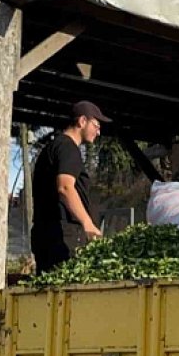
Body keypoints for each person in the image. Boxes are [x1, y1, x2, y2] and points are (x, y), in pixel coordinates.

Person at [31, 101, 111, 274]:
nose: (99, 131)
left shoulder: (52, 148)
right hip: (63, 238)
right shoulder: (68, 148)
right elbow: (65, 187)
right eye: (96, 125)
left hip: (45, 235)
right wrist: (88, 223)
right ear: (82, 121)